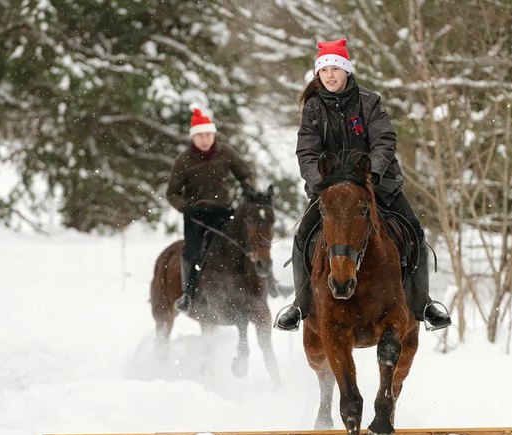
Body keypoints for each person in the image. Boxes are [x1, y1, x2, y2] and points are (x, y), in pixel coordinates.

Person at [274, 39, 451, 332]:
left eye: (336, 68)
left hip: (377, 185)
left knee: (415, 231)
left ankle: (423, 303)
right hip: (331, 192)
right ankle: (301, 305)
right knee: (302, 237)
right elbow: (307, 152)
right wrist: (322, 184)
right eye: (324, 70)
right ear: (318, 74)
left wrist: (373, 174)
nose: (330, 75)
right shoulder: (313, 108)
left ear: (346, 71)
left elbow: (384, 140)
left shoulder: (369, 101)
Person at [165, 106, 255, 312]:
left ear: (213, 134)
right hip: (196, 215)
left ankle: (267, 285)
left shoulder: (226, 152)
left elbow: (245, 174)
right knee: (192, 251)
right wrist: (185, 207)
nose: (204, 139)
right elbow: (172, 193)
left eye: (207, 134)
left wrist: (248, 189)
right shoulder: (183, 160)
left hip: (224, 211)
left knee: (248, 242)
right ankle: (188, 293)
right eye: (199, 136)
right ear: (193, 138)